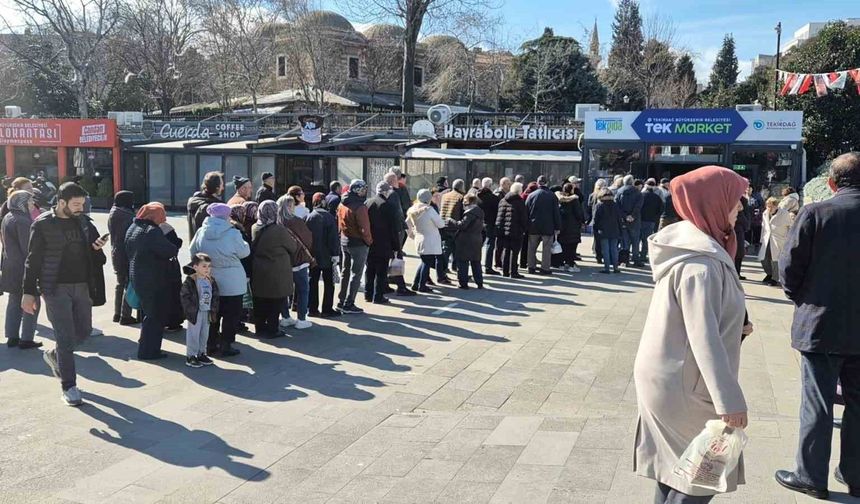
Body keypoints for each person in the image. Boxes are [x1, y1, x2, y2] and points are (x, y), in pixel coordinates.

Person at [634, 166, 751, 503]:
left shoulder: (698, 249)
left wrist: (736, 320)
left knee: (674, 472)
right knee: (700, 479)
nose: (741, 206)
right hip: (689, 385)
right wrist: (729, 401)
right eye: (735, 199)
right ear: (714, 202)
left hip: (673, 378)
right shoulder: (702, 264)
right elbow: (704, 337)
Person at [775, 152, 860, 500]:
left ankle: (811, 475)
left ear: (831, 183)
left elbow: (789, 269)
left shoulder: (816, 213)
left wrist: (804, 300)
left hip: (821, 325)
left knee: (818, 403)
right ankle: (855, 474)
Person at [22, 182, 107, 406]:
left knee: (84, 331)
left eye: (82, 204)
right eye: (76, 204)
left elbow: (97, 257)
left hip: (82, 285)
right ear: (61, 202)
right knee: (65, 337)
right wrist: (28, 292)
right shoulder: (43, 224)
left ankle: (55, 354)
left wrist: (97, 248)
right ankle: (69, 386)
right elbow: (33, 260)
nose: (80, 208)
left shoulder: (85, 223)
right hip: (54, 287)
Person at [189, 203, 250, 357]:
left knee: (212, 313)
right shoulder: (233, 233)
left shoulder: (201, 231)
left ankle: (210, 344)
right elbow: (244, 252)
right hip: (232, 280)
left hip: (209, 277)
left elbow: (193, 251)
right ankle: (226, 344)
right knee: (231, 314)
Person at [125, 202, 181, 360]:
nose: (164, 218)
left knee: (147, 314)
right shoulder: (152, 231)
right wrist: (173, 242)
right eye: (162, 215)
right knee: (156, 316)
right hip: (154, 279)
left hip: (137, 275)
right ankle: (149, 351)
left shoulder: (133, 227)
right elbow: (170, 250)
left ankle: (145, 345)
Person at [2, 191, 42, 349]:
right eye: (30, 200)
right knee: (32, 301)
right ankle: (26, 338)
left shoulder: (8, 216)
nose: (32, 204)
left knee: (14, 302)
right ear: (21, 202)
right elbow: (28, 248)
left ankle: (12, 336)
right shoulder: (23, 221)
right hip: (23, 268)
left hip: (10, 266)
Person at [250, 201, 297, 338]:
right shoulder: (279, 230)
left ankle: (260, 327)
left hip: (259, 269)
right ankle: (272, 329)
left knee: (260, 301)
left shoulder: (255, 228)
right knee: (275, 301)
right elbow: (292, 247)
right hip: (277, 270)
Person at [277, 195, 314, 329]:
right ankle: (301, 319)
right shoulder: (296, 221)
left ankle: (285, 317)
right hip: (299, 261)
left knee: (284, 291)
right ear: (289, 207)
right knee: (303, 289)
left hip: (282, 262)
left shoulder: (276, 222)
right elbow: (308, 239)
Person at [337, 180, 372, 314]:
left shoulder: (342, 203)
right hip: (358, 243)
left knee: (345, 272)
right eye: (363, 189)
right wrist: (368, 241)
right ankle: (349, 303)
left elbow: (339, 222)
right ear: (358, 190)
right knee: (356, 274)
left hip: (344, 241)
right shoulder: (360, 206)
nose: (364, 192)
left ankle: (341, 301)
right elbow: (365, 227)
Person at [179, 254, 218, 368]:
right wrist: (190, 309)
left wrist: (214, 309)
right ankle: (191, 356)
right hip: (195, 313)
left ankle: (201, 353)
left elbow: (215, 295)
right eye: (204, 266)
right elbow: (184, 296)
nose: (207, 269)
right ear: (195, 267)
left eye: (209, 266)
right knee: (193, 334)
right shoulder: (191, 281)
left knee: (204, 334)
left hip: (207, 312)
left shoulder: (210, 280)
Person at [365, 182, 400, 304]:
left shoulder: (367, 203)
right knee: (381, 272)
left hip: (369, 242)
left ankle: (368, 294)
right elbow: (393, 229)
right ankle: (378, 296)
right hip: (384, 243)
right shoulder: (388, 206)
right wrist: (396, 246)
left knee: (370, 269)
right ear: (386, 192)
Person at [306, 193, 340, 317]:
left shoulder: (309, 217)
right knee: (329, 283)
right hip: (327, 256)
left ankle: (312, 309)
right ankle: (327, 309)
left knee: (313, 282)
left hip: (313, 255)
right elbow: (333, 239)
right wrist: (335, 254)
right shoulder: (329, 217)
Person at [406, 189, 446, 292]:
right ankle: (422, 285)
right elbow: (440, 224)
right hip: (430, 240)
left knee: (424, 261)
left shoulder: (412, 209)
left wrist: (412, 235)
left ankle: (416, 284)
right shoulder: (429, 209)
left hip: (419, 238)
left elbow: (407, 224)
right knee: (426, 263)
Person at [107, 191, 137, 325]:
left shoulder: (114, 212)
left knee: (120, 284)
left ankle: (117, 313)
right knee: (128, 284)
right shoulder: (126, 216)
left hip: (116, 253)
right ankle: (125, 315)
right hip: (125, 254)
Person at [383, 172, 415, 297]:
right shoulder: (394, 194)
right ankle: (401, 286)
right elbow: (399, 212)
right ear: (393, 181)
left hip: (386, 231)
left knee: (388, 257)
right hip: (396, 230)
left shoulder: (382, 194)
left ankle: (386, 283)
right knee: (397, 257)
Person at [524, 175, 561, 275]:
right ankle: (545, 268)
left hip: (533, 225)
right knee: (546, 249)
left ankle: (531, 267)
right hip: (548, 226)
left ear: (537, 182)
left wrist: (526, 225)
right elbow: (556, 213)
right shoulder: (552, 196)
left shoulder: (531, 195)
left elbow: (526, 211)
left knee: (531, 248)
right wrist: (557, 227)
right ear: (547, 182)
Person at [448, 193, 485, 289]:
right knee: (476, 262)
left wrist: (451, 221)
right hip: (477, 239)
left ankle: (463, 283)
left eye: (464, 201)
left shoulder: (470, 213)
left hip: (465, 241)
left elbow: (462, 225)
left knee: (463, 262)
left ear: (468, 202)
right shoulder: (480, 212)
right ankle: (479, 282)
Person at [757, 197, 792, 286]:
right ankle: (769, 273)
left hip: (779, 239)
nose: (769, 208)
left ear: (776, 206)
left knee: (775, 259)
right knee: (764, 258)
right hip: (767, 238)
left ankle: (774, 278)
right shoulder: (765, 213)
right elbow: (763, 226)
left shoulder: (784, 214)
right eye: (767, 206)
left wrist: (788, 239)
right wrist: (762, 239)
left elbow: (791, 226)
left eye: (771, 206)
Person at [496, 182, 528, 278]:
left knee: (506, 250)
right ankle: (513, 272)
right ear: (519, 191)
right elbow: (524, 218)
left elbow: (499, 216)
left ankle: (505, 271)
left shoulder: (503, 200)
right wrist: (524, 228)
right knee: (514, 252)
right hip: (516, 230)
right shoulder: (520, 201)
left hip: (504, 230)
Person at [439, 179, 466, 280]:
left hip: (443, 224)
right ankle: (447, 270)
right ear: (461, 187)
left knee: (446, 249)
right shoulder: (461, 197)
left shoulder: (445, 195)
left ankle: (444, 269)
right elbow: (461, 213)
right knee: (455, 250)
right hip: (454, 227)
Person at [616, 174, 645, 267]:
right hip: (635, 221)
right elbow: (638, 206)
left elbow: (617, 207)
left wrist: (625, 216)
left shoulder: (619, 192)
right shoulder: (638, 192)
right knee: (635, 241)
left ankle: (625, 260)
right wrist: (632, 216)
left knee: (625, 242)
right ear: (632, 182)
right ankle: (636, 260)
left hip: (623, 221)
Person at [592, 189, 624, 274]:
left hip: (603, 230)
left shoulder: (599, 205)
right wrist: (620, 230)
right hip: (615, 230)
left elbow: (595, 219)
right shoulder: (615, 205)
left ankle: (607, 268)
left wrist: (595, 229)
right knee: (614, 249)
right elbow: (619, 219)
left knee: (605, 250)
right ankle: (616, 268)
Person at [555, 183, 584, 273]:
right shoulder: (574, 200)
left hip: (562, 226)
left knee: (563, 246)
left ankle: (561, 263)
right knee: (571, 247)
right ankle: (570, 264)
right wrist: (581, 221)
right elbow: (578, 214)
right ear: (571, 190)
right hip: (573, 227)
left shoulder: (560, 199)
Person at [187, 171, 224, 238]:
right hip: (210, 247)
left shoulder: (194, 201)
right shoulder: (216, 207)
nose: (223, 188)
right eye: (221, 185)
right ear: (217, 188)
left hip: (195, 245)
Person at [476, 178, 500, 275]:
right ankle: (488, 266)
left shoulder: (477, 197)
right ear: (490, 186)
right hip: (490, 223)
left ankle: (476, 265)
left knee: (478, 245)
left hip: (478, 224)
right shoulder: (494, 198)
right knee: (490, 245)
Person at [640, 179, 664, 263]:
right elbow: (661, 209)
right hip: (651, 221)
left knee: (637, 239)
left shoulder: (641, 195)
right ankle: (643, 256)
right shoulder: (657, 197)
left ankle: (635, 255)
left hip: (640, 220)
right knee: (646, 240)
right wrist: (655, 217)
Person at [492, 177, 512, 269]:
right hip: (499, 222)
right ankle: (498, 262)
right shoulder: (498, 194)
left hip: (503, 221)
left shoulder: (505, 193)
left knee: (502, 244)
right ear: (503, 184)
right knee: (499, 244)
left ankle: (502, 261)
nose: (509, 185)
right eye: (508, 184)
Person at [588, 179, 608, 264]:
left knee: (596, 238)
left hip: (594, 219)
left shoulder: (592, 195)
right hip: (604, 220)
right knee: (603, 238)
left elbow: (588, 207)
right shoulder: (606, 196)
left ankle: (598, 255)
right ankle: (602, 254)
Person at [733, 192, 752, 279]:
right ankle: (735, 273)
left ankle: (737, 272)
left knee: (739, 254)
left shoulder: (743, 201)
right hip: (735, 230)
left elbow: (746, 220)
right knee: (736, 253)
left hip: (738, 231)